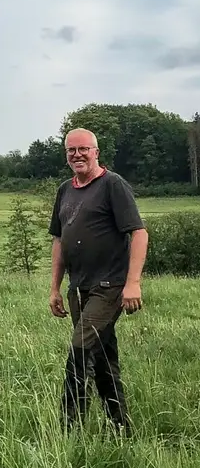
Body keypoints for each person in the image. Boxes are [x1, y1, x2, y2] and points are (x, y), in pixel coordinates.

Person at [48, 127, 149, 436]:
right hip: (79, 289)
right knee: (103, 358)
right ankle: (120, 428)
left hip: (109, 287)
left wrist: (133, 283)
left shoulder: (112, 185)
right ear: (66, 155)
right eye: (71, 150)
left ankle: (69, 429)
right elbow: (58, 240)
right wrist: (54, 288)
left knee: (79, 349)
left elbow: (139, 233)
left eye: (83, 149)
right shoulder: (66, 189)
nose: (77, 154)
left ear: (96, 152)